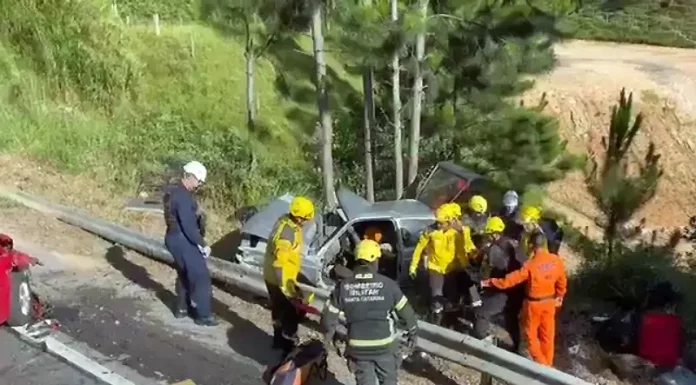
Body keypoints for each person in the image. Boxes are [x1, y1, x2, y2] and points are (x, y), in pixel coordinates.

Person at [321, 239, 418, 385]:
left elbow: (328, 320)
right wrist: (413, 333)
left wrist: (327, 341)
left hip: (358, 349)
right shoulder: (388, 285)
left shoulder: (343, 287)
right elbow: (407, 314)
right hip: (384, 348)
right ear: (375, 260)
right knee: (389, 381)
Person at [482, 232, 567, 366]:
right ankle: (548, 365)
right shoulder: (556, 260)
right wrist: (560, 296)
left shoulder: (531, 265)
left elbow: (509, 281)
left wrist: (491, 282)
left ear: (532, 245)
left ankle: (544, 367)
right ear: (544, 244)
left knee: (531, 337)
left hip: (534, 305)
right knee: (548, 336)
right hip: (550, 302)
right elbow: (562, 282)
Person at [163, 160, 217, 326]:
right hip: (182, 238)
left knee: (184, 273)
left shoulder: (173, 191)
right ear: (190, 176)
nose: (200, 185)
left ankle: (182, 308)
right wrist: (202, 243)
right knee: (200, 276)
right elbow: (188, 225)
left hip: (173, 237)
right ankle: (203, 315)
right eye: (199, 181)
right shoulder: (183, 197)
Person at [264, 196, 315, 354]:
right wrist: (287, 289)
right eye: (306, 219)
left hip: (272, 276)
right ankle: (288, 349)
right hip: (281, 279)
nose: (307, 222)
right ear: (300, 218)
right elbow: (279, 263)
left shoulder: (285, 221)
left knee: (277, 310)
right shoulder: (287, 235)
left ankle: (277, 340)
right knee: (290, 315)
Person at [471, 217, 524, 350]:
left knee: (481, 312)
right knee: (510, 318)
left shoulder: (494, 250)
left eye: (489, 235)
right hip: (516, 290)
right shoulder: (512, 245)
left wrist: (483, 281)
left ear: (495, 234)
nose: (488, 237)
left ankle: (483, 343)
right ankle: (517, 347)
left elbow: (490, 272)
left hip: (502, 289)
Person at [408, 205, 460, 323]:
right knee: (436, 295)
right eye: (437, 222)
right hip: (435, 268)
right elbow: (419, 249)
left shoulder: (456, 233)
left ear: (449, 222)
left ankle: (450, 321)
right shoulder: (430, 231)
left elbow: (461, 251)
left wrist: (466, 265)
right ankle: (436, 320)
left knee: (451, 297)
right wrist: (413, 266)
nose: (438, 225)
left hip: (451, 269)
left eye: (441, 223)